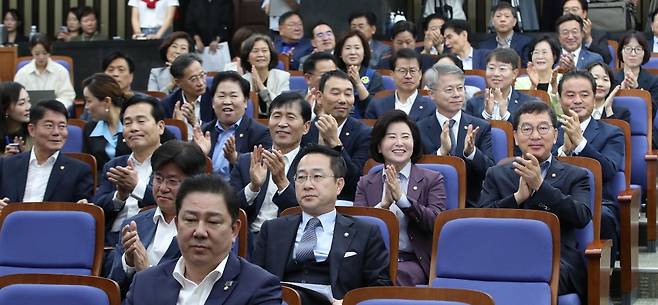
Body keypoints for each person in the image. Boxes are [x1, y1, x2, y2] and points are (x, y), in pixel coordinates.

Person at [477, 101, 591, 302]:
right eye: (527, 129)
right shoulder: (497, 174)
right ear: (515, 136)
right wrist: (517, 198)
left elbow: (581, 216)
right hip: (504, 252)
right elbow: (482, 219)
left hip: (557, 258)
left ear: (555, 135)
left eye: (543, 128)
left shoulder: (576, 175)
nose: (535, 136)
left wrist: (540, 186)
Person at [253, 144, 391, 304]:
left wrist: (350, 302)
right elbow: (255, 281)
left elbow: (381, 289)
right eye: (301, 177)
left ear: (339, 185)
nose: (307, 185)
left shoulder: (366, 232)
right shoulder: (273, 229)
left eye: (317, 177)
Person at [124, 174, 282, 305]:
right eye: (191, 220)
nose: (199, 232)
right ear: (178, 225)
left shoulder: (259, 287)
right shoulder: (144, 283)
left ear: (234, 230)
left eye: (213, 222)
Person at [355, 110, 446, 286]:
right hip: (371, 260)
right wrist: (383, 206)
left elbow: (436, 223)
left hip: (410, 261)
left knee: (387, 280)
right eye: (391, 137)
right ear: (379, 146)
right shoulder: (366, 183)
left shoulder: (432, 179)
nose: (399, 143)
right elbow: (356, 229)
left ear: (414, 143)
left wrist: (402, 200)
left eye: (405, 137)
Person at [107, 140, 207, 295]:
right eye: (158, 179)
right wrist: (129, 262)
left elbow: (198, 290)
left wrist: (147, 272)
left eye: (172, 181)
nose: (162, 188)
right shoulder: (135, 225)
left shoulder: (204, 231)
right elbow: (113, 288)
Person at [554, 70, 625, 268]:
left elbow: (609, 170)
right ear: (560, 99)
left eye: (584, 95)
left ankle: (602, 277)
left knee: (604, 217)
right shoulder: (547, 130)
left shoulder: (612, 133)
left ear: (594, 98)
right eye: (570, 95)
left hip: (597, 201)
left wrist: (580, 143)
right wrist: (564, 151)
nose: (577, 100)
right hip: (552, 198)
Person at [230, 92, 310, 237]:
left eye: (290, 117)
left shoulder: (312, 164)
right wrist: (253, 187)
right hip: (249, 237)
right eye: (277, 116)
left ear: (306, 127)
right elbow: (230, 208)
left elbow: (310, 212)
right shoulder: (247, 161)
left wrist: (282, 184)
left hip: (291, 238)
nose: (282, 123)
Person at [92, 95, 165, 246]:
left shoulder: (174, 163)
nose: (133, 128)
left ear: (160, 127)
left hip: (155, 240)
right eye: (127, 123)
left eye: (141, 121)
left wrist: (136, 188)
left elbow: (175, 204)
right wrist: (119, 196)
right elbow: (97, 208)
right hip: (112, 243)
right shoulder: (115, 165)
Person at [417, 64, 493, 207]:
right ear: (431, 94)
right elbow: (416, 175)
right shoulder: (418, 129)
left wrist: (471, 153)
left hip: (471, 206)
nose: (457, 94)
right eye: (449, 90)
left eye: (460, 88)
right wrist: (441, 153)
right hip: (428, 205)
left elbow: (491, 172)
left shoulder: (480, 127)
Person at [0, 100, 93, 209]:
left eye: (62, 126)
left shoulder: (79, 171)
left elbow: (84, 210)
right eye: (49, 125)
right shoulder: (7, 165)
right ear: (32, 130)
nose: (56, 132)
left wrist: (83, 206)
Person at [301, 70, 372, 201]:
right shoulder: (306, 130)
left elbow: (356, 180)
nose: (343, 100)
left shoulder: (365, 133)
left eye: (348, 94)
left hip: (346, 203)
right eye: (335, 93)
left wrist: (335, 143)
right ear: (319, 97)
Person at [192, 71, 271, 177]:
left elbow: (264, 171)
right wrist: (201, 155)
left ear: (245, 101)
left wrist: (235, 158)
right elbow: (187, 169)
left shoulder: (261, 133)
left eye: (233, 96)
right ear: (212, 102)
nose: (227, 101)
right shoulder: (204, 132)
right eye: (221, 96)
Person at [465, 48, 536, 122]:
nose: (496, 74)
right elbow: (471, 131)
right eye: (491, 68)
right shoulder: (473, 104)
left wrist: (505, 114)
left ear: (514, 73)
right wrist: (486, 114)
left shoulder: (528, 103)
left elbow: (525, 130)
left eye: (502, 69)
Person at [366, 48, 435, 122]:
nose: (408, 76)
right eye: (402, 71)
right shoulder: (377, 105)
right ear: (392, 75)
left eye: (412, 71)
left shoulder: (431, 107)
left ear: (420, 74)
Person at [161, 53, 214, 140]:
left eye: (202, 75)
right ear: (178, 82)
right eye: (193, 79)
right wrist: (177, 126)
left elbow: (219, 132)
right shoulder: (168, 105)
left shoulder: (214, 96)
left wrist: (195, 122)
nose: (200, 83)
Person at [81, 73, 127, 175]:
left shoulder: (134, 122)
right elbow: (87, 168)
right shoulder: (89, 129)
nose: (86, 107)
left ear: (107, 101)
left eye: (89, 101)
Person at [14, 34, 75, 109]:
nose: (41, 57)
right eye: (37, 54)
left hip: (55, 112)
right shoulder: (22, 73)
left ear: (50, 50)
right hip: (30, 113)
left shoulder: (61, 71)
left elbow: (68, 96)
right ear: (31, 51)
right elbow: (16, 97)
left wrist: (55, 107)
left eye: (45, 53)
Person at [614, 31, 658, 134]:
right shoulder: (611, 78)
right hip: (615, 129)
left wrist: (636, 90)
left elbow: (652, 112)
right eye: (628, 49)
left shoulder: (654, 81)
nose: (633, 54)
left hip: (646, 131)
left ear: (644, 53)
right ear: (621, 51)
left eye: (638, 49)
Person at [335, 30, 384, 118]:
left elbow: (376, 110)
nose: (352, 52)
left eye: (357, 48)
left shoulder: (374, 76)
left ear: (364, 52)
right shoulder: (334, 76)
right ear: (340, 53)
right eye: (348, 48)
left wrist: (358, 84)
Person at [241, 34, 291, 116]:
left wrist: (261, 86)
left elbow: (282, 107)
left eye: (264, 51)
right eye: (255, 51)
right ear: (247, 57)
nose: (260, 55)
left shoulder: (282, 77)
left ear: (271, 55)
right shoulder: (242, 81)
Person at [514, 36, 563, 114]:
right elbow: (521, 111)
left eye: (544, 52)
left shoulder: (563, 80)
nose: (540, 57)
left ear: (554, 56)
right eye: (536, 52)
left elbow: (562, 114)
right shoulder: (520, 82)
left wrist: (554, 90)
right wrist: (533, 86)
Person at [478, 2, 533, 66]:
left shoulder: (526, 43)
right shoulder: (484, 46)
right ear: (492, 21)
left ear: (514, 22)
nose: (502, 19)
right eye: (498, 16)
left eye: (507, 16)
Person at [561, 0, 612, 64]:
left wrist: (588, 39)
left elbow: (606, 60)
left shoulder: (598, 35)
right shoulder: (558, 35)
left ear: (584, 13)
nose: (570, 13)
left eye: (574, 10)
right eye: (566, 10)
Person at [301, 52, 337, 120]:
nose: (331, 78)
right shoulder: (291, 100)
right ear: (308, 78)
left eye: (334, 73)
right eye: (325, 74)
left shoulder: (342, 102)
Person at [0, 82, 31, 156]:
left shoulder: (34, 132)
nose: (28, 107)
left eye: (29, 101)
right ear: (5, 108)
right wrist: (5, 160)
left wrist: (24, 156)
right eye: (21, 103)